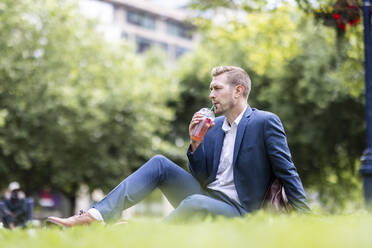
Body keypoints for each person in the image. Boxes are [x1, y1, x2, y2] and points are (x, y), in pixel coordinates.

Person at [48, 66, 310, 227]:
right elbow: (201, 176)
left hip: (240, 210)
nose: (211, 95)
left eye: (217, 88)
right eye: (210, 88)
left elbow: (287, 171)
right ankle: (95, 216)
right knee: (160, 163)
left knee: (196, 202)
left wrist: (307, 217)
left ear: (238, 91)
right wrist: (196, 144)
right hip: (207, 197)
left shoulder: (264, 122)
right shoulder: (214, 127)